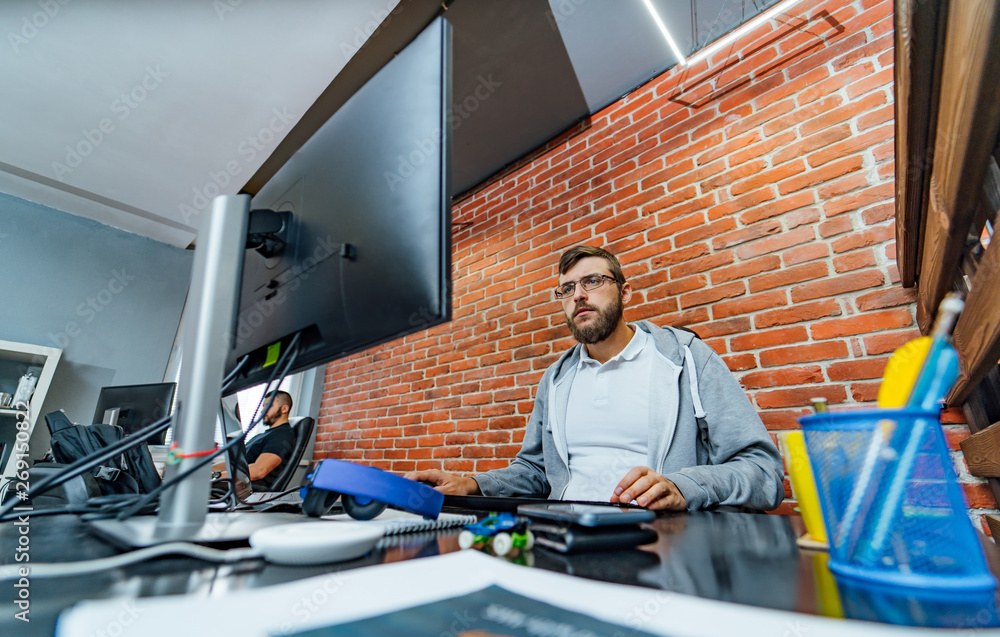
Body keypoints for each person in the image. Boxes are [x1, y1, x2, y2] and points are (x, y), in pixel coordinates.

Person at [407, 246, 784, 511]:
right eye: (567, 288)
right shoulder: (555, 380)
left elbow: (762, 471)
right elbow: (536, 472)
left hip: (661, 542)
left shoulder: (685, 358)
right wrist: (472, 484)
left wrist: (683, 487)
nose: (579, 296)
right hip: (565, 539)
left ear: (624, 291)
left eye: (592, 282)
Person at [244, 390, 296, 491]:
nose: (263, 410)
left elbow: (259, 471)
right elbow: (233, 462)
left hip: (246, 489)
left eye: (268, 405)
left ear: (284, 409)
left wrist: (217, 476)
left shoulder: (281, 435)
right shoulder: (262, 436)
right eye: (263, 406)